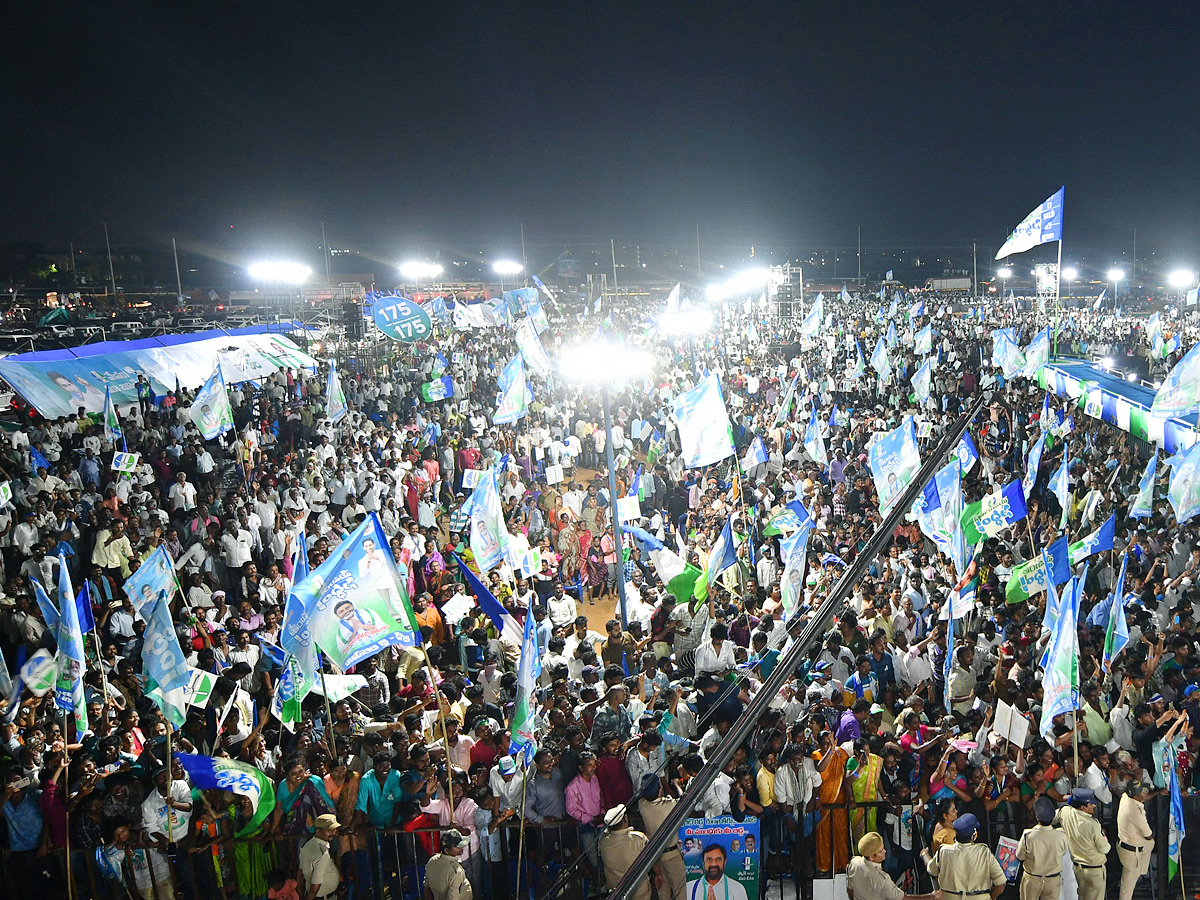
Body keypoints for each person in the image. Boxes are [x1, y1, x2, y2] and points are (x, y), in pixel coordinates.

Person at [919, 813, 1006, 900]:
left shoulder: (944, 851)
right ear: (974, 835)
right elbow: (1001, 884)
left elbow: (931, 869)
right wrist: (991, 897)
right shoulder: (984, 852)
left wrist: (924, 854)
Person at [847, 832, 943, 900]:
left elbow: (850, 890)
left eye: (883, 848)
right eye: (881, 851)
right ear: (872, 857)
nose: (885, 851)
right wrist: (930, 896)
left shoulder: (854, 863)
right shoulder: (881, 879)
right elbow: (903, 898)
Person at [637, 774, 686, 900]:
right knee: (680, 891)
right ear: (660, 790)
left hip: (656, 856)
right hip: (672, 855)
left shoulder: (642, 805)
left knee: (663, 890)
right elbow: (683, 800)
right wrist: (676, 784)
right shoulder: (669, 806)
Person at [1055, 787, 1109, 900]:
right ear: (1083, 807)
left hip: (1078, 869)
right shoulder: (1093, 824)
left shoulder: (1065, 812)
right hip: (1094, 870)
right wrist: (1105, 838)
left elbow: (1052, 817)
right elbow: (1105, 849)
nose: (1094, 805)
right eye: (1091, 804)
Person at [1014, 796, 1068, 900]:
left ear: (1036, 816)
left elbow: (1020, 856)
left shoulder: (1028, 835)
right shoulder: (1061, 835)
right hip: (1052, 879)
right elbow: (1063, 852)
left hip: (1032, 879)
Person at [599, 804, 657, 900]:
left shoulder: (603, 842)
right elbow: (652, 861)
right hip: (639, 890)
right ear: (625, 820)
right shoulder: (638, 838)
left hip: (615, 892)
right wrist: (658, 874)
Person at [1115, 780, 1153, 900]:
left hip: (1124, 845)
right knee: (1127, 887)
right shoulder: (1135, 811)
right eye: (1141, 792)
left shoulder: (1125, 797)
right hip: (1131, 853)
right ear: (1136, 796)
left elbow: (1143, 798)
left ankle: (1141, 872)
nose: (1144, 792)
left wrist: (1157, 793)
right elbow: (1148, 835)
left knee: (1128, 882)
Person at [299, 813, 341, 900]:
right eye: (329, 830)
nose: (334, 833)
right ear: (318, 832)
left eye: (335, 829)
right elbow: (315, 887)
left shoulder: (307, 845)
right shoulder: (322, 854)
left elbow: (300, 873)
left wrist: (301, 896)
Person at [424, 828, 473, 900]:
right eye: (457, 846)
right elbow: (453, 897)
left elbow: (427, 888)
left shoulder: (432, 861)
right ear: (447, 850)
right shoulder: (455, 871)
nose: (461, 847)